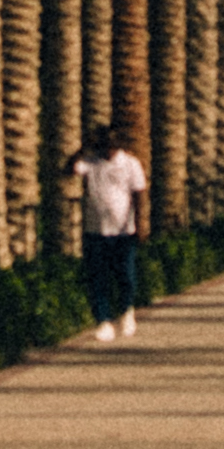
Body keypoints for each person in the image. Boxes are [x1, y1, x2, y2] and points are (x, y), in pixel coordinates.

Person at [76, 116, 154, 343]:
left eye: (111, 144)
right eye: (103, 144)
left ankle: (127, 312)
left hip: (123, 231)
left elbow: (139, 194)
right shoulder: (90, 162)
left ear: (119, 144)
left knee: (125, 276)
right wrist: (84, 147)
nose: (107, 149)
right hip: (95, 230)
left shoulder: (130, 164)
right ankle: (103, 321)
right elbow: (68, 168)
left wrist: (141, 224)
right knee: (97, 278)